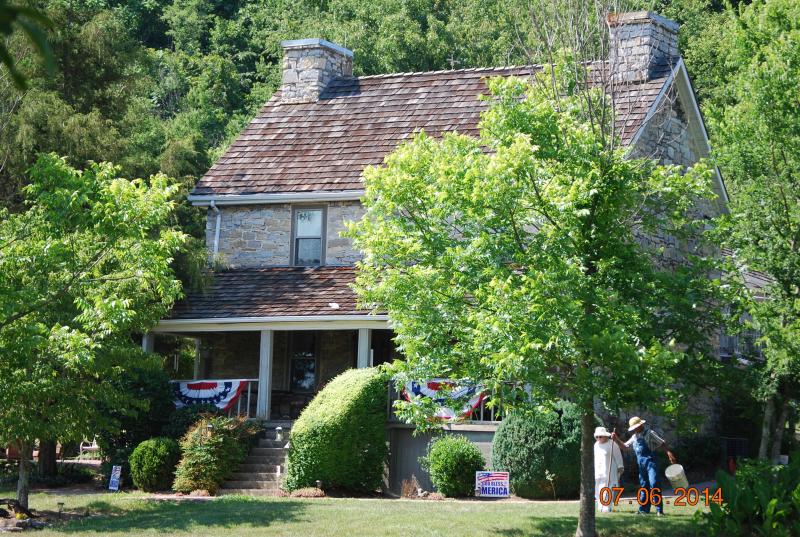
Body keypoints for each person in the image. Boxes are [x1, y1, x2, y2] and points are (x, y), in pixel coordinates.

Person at [611, 416, 677, 516]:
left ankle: (659, 510)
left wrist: (669, 453)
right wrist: (616, 439)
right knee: (644, 486)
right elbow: (625, 447)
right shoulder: (634, 437)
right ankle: (644, 509)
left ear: (641, 425)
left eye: (636, 427)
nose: (634, 430)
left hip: (651, 463)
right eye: (633, 428)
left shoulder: (650, 433)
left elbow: (662, 443)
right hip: (641, 466)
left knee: (654, 484)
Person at [594, 426, 624, 513]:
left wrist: (620, 467)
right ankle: (600, 505)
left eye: (601, 436)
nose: (599, 438)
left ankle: (607, 506)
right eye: (597, 437)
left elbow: (618, 457)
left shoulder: (612, 444)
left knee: (608, 488)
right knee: (598, 488)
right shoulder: (596, 445)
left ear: (605, 436)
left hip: (609, 471)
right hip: (598, 470)